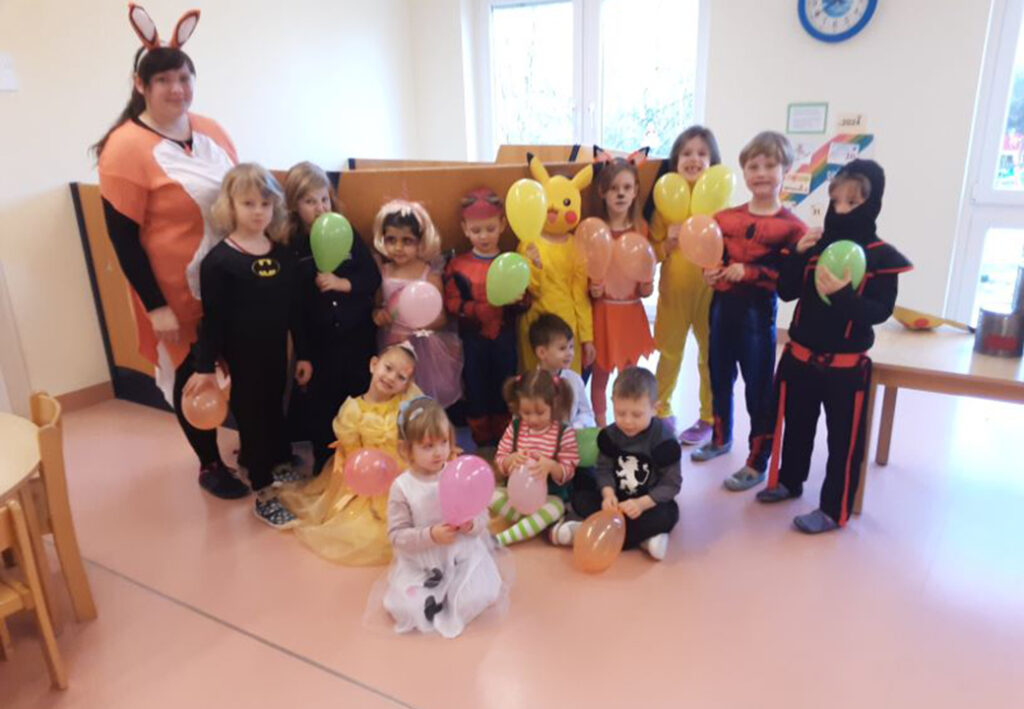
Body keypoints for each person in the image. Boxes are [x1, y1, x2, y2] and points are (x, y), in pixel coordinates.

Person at [95, 6, 242, 498]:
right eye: (164, 80)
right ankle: (208, 464)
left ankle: (242, 444)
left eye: (183, 77)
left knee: (229, 366)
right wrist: (156, 306)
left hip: (226, 282)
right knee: (190, 378)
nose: (177, 89)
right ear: (141, 84)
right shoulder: (126, 148)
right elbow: (121, 236)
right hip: (174, 292)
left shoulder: (211, 131)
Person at [756, 160, 912, 533]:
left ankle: (833, 509)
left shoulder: (880, 256)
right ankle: (790, 481)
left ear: (870, 205)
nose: (840, 210)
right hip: (800, 358)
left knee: (843, 442)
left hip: (845, 367)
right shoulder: (815, 244)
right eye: (836, 201)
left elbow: (879, 311)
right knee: (796, 427)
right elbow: (787, 291)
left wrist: (843, 297)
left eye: (851, 203)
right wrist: (796, 255)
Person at [185, 164, 309, 527]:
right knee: (252, 419)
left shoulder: (282, 255)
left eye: (266, 204)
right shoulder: (220, 262)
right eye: (249, 203)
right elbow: (213, 320)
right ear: (231, 206)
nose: (259, 212)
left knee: (274, 410)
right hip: (241, 361)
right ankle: (262, 490)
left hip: (276, 356)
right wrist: (204, 367)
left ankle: (275, 463)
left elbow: (294, 312)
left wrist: (304, 353)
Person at [692, 131, 807, 494]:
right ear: (744, 171)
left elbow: (790, 282)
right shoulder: (723, 219)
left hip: (758, 315)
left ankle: (758, 459)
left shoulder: (793, 228)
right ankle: (721, 437)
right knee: (718, 375)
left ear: (785, 169)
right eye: (753, 166)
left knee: (758, 388)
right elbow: (710, 256)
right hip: (722, 308)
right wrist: (709, 271)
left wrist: (753, 272)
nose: (761, 173)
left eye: (770, 165)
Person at [281, 342, 422, 565]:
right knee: (367, 528)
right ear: (374, 364)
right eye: (387, 368)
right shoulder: (352, 410)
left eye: (401, 377)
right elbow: (353, 457)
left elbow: (423, 423)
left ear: (407, 385)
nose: (391, 377)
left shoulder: (405, 403)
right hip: (368, 479)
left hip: (402, 472)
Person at [282, 162, 380, 473]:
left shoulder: (346, 231)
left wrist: (342, 284)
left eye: (324, 199)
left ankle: (364, 462)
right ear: (295, 206)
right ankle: (326, 468)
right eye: (309, 201)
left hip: (358, 339)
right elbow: (294, 308)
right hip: (321, 346)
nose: (319, 208)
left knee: (360, 400)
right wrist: (304, 355)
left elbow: (372, 277)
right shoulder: (293, 246)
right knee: (323, 408)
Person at [383, 397, 504, 638]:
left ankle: (454, 593)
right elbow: (397, 536)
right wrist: (430, 535)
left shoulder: (456, 472)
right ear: (407, 450)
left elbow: (481, 514)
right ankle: (433, 596)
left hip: (460, 554)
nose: (439, 452)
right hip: (422, 560)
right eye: (428, 446)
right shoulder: (402, 486)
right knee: (410, 608)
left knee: (475, 596)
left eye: (443, 442)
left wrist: (472, 525)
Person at [557, 367, 681, 561]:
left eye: (637, 415)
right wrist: (608, 494)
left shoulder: (664, 441)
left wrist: (641, 503)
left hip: (646, 503)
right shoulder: (610, 436)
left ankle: (587, 532)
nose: (628, 421)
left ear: (655, 408)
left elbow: (671, 484)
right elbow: (604, 468)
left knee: (668, 514)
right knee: (580, 492)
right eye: (620, 413)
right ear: (612, 403)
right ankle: (643, 540)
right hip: (617, 499)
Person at [648, 126, 722, 445]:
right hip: (674, 292)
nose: (694, 159)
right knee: (668, 351)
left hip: (709, 291)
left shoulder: (719, 204)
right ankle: (660, 410)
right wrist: (668, 241)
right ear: (676, 160)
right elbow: (652, 252)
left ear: (712, 161)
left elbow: (727, 247)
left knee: (709, 355)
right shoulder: (665, 203)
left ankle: (708, 416)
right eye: (687, 153)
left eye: (701, 154)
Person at [443, 189, 525, 447]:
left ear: (502, 225)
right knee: (475, 386)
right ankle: (481, 440)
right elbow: (451, 302)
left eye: (490, 228)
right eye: (476, 230)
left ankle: (505, 439)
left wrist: (521, 300)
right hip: (473, 339)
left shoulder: (512, 261)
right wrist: (476, 309)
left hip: (504, 337)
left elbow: (527, 297)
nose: (484, 236)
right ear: (465, 229)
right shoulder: (458, 265)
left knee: (506, 384)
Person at [373, 200, 463, 408]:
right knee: (393, 394)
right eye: (391, 240)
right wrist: (378, 315)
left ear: (420, 242)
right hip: (392, 344)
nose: (398, 247)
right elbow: (378, 306)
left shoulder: (429, 274)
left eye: (407, 241)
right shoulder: (383, 272)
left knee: (422, 396)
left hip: (422, 347)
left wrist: (418, 324)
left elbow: (441, 318)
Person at [588, 152, 656, 427]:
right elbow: (587, 274)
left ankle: (628, 422)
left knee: (629, 375)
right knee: (600, 374)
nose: (620, 194)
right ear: (603, 193)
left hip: (630, 312)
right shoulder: (595, 230)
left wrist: (647, 286)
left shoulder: (641, 230)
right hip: (603, 312)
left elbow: (643, 284)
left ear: (636, 191)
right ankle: (602, 427)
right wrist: (593, 289)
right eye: (614, 188)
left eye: (626, 188)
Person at [490, 370, 580, 546]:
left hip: (550, 497)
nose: (532, 418)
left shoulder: (564, 433)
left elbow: (569, 470)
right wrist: (510, 460)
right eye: (526, 412)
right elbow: (500, 458)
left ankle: (502, 539)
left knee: (557, 507)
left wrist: (551, 466)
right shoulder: (515, 428)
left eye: (540, 412)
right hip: (516, 497)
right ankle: (536, 523)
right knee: (490, 495)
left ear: (554, 405)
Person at [529, 314, 596, 429]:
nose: (570, 353)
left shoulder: (574, 379)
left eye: (571, 347)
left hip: (570, 439)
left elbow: (587, 413)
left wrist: (577, 425)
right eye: (562, 348)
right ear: (542, 352)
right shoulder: (529, 384)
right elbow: (520, 420)